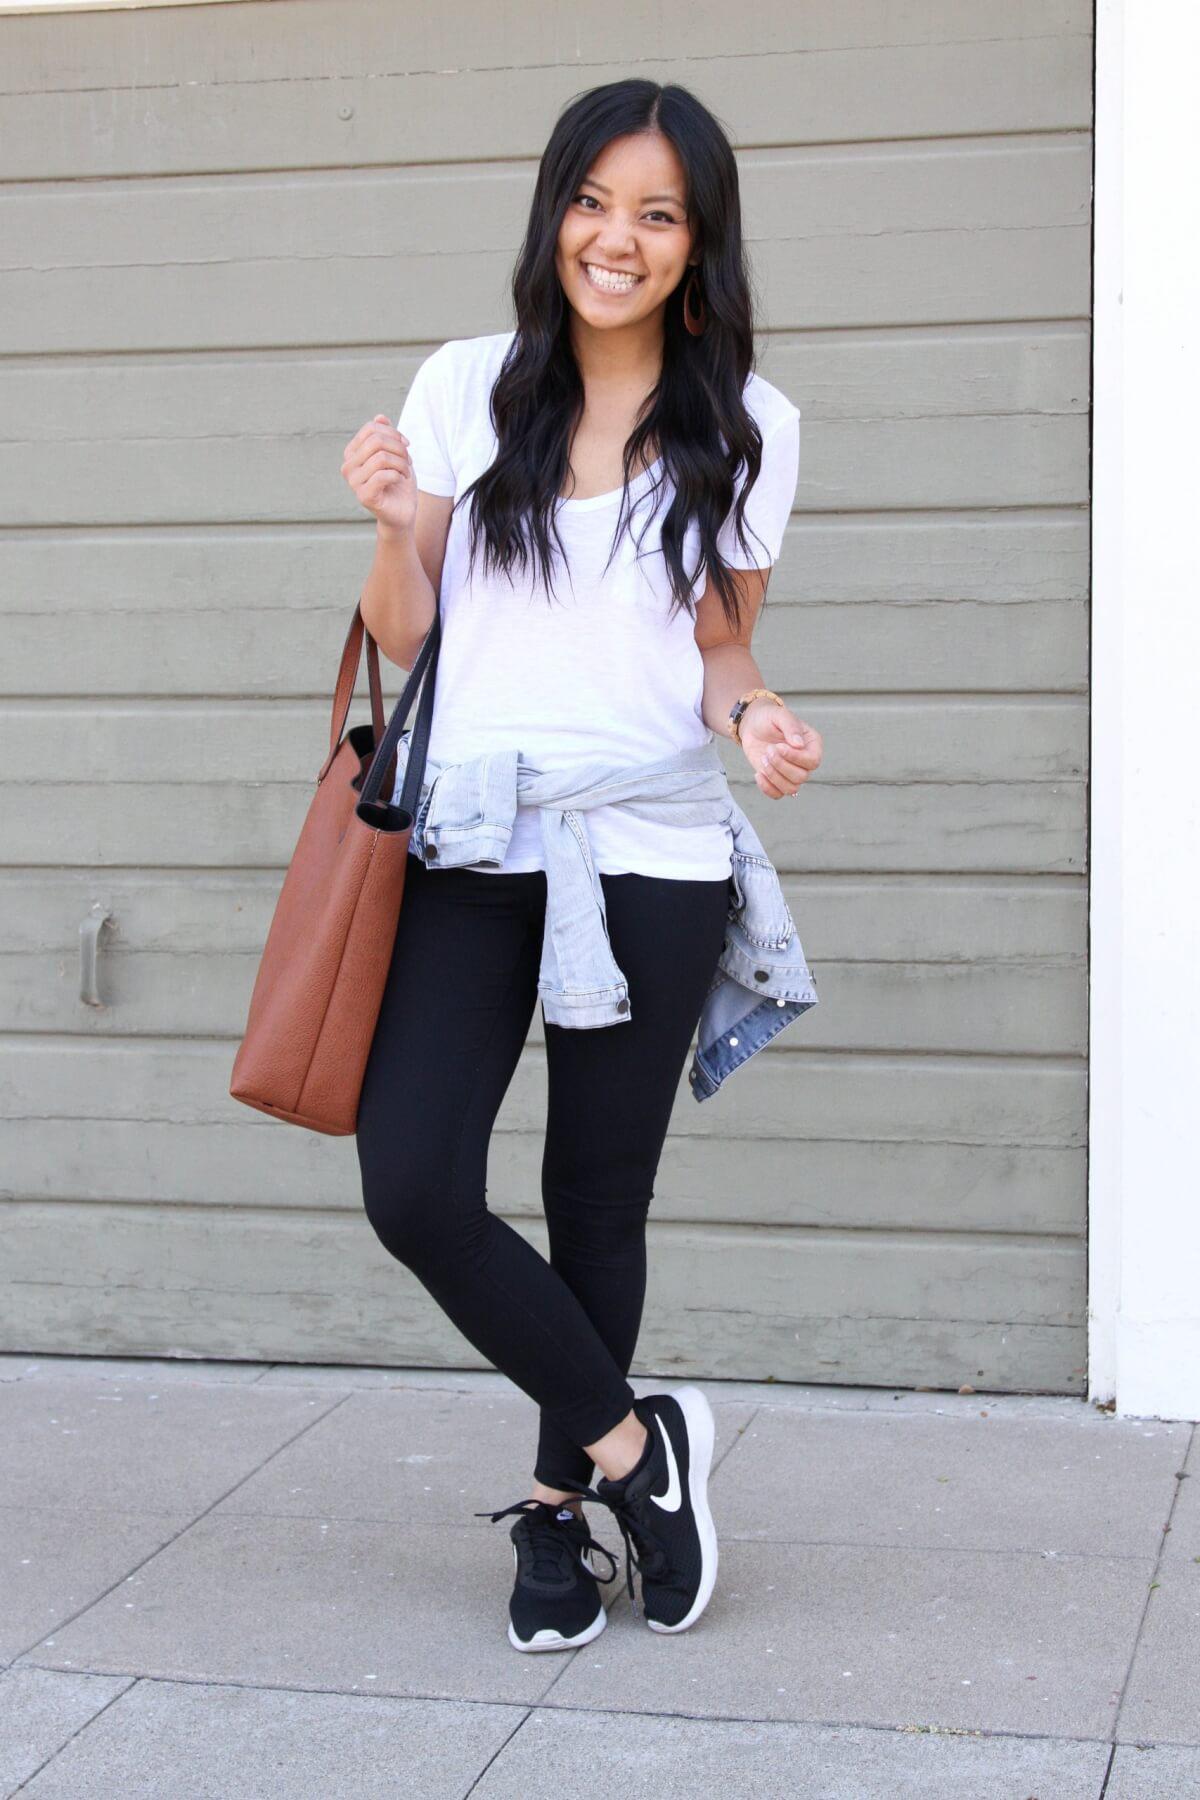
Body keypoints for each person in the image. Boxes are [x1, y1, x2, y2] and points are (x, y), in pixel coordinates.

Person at [340, 79, 822, 1654]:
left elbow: (717, 642)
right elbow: (408, 638)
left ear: (700, 245)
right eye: (595, 201)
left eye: (659, 213)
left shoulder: (751, 424)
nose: (618, 238)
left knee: (593, 1200)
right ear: (556, 209)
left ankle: (558, 1527)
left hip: (652, 852)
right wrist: (405, 524)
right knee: (415, 1182)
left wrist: (754, 716)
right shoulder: (468, 384)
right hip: (481, 837)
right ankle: (637, 1451)